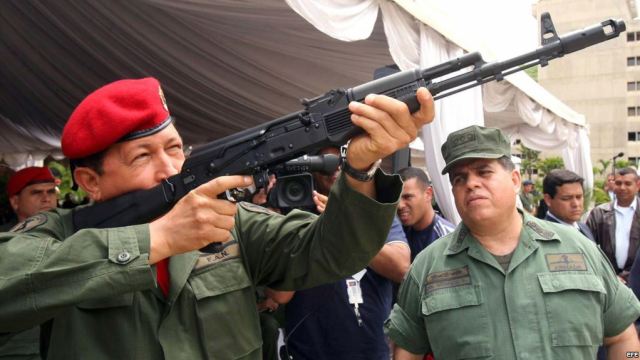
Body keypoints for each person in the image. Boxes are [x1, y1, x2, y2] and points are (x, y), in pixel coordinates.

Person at [0, 77, 435, 359]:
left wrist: (359, 171)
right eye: (142, 156)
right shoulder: (54, 235)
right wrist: (156, 240)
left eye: (174, 148)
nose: (170, 169)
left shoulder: (234, 222)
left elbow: (334, 252)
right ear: (90, 181)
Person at [386, 125, 640, 359]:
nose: (471, 183)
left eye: (484, 172)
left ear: (515, 180)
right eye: (459, 179)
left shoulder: (579, 249)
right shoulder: (427, 268)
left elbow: (623, 337)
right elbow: (407, 353)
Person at [282, 146, 411, 360]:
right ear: (311, 167)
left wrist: (343, 224)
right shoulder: (297, 212)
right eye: (323, 162)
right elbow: (279, 294)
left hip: (367, 351)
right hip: (308, 351)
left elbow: (400, 268)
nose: (333, 168)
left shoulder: (376, 209)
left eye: (340, 161)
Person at [0, 167, 57, 360]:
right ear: (15, 202)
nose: (46, 198)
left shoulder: (73, 235)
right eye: (36, 193)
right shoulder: (3, 242)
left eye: (50, 192)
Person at [587, 167, 640, 282]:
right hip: (607, 280)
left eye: (627, 184)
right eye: (618, 183)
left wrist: (625, 276)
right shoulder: (599, 213)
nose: (622, 188)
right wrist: (609, 276)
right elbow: (587, 247)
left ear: (638, 185)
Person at [397, 167, 455, 261]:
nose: (400, 205)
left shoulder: (448, 239)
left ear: (428, 194)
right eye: (396, 199)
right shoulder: (398, 233)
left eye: (407, 197)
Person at [542, 169, 594, 240]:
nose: (576, 204)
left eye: (579, 197)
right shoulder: (544, 235)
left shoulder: (584, 228)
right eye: (566, 198)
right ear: (548, 200)